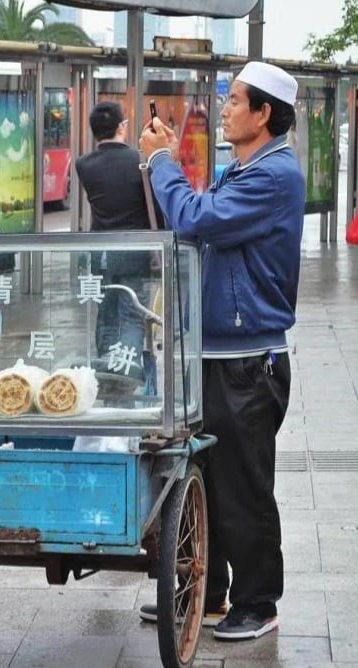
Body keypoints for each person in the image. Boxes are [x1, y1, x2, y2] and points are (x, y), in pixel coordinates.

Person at [138, 61, 304, 641]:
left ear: (263, 114)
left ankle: (259, 601)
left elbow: (195, 218)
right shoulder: (243, 168)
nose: (224, 107)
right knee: (202, 473)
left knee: (242, 483)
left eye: (234, 100)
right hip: (214, 353)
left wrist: (162, 163)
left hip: (247, 360)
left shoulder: (273, 175)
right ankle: (205, 592)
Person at [74, 101, 159, 383]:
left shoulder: (84, 165)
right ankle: (127, 375)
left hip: (101, 255)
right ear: (122, 127)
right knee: (134, 314)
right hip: (137, 253)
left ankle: (106, 374)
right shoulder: (140, 162)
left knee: (107, 313)